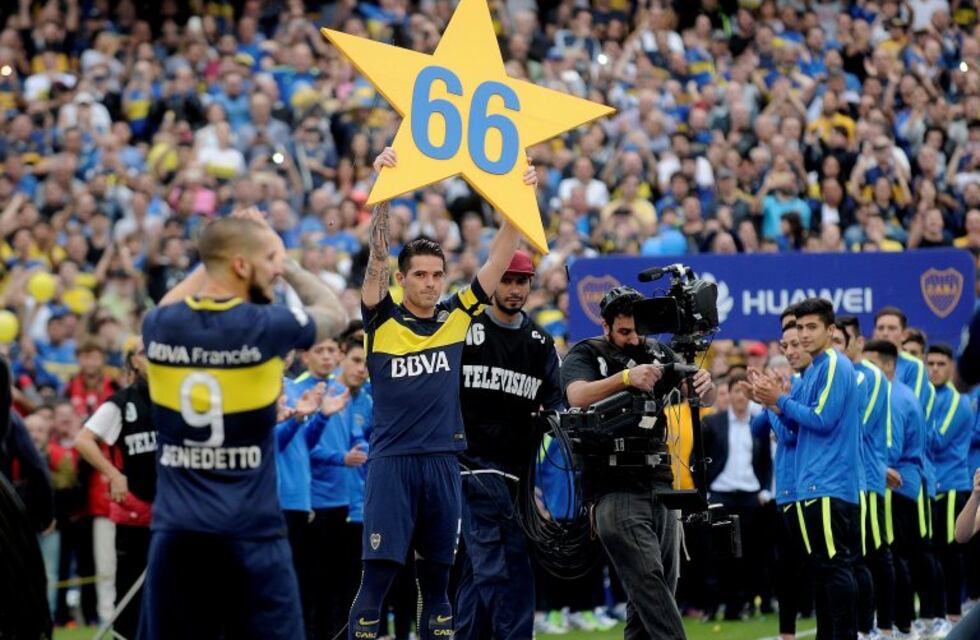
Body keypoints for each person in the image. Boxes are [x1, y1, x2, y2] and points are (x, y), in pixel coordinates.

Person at [347, 147, 536, 640]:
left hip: (443, 463)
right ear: (402, 279)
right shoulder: (381, 319)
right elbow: (377, 259)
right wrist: (383, 193)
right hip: (392, 463)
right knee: (376, 583)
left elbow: (498, 260)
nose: (430, 284)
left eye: (436, 275)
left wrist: (518, 200)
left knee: (437, 586)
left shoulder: (456, 317)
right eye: (420, 275)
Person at [138, 208, 348, 639]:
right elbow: (334, 314)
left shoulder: (161, 326)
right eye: (269, 259)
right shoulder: (265, 326)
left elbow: (168, 304)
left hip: (178, 534)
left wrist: (220, 249)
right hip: (252, 532)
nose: (275, 269)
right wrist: (290, 265)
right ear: (240, 265)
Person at [560, 285, 715, 639]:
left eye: (638, 331)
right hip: (613, 484)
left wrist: (704, 383)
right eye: (624, 331)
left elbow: (701, 396)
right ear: (605, 326)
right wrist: (626, 378)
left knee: (653, 595)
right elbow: (576, 395)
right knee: (649, 582)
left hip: (660, 480)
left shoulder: (657, 351)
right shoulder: (587, 352)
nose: (632, 339)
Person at [455, 249, 564, 639]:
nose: (515, 289)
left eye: (522, 281)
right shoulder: (465, 330)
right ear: (492, 280)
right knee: (506, 566)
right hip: (471, 467)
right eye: (507, 280)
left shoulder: (540, 342)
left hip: (516, 475)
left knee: (478, 571)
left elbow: (558, 406)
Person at [752, 298, 861, 640]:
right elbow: (795, 430)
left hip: (828, 482)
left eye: (812, 327)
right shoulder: (815, 369)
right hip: (813, 484)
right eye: (800, 327)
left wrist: (779, 400)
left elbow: (823, 419)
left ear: (831, 330)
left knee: (835, 567)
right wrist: (775, 404)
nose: (804, 334)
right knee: (823, 570)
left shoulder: (834, 365)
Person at [73, 338, 156, 640]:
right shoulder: (120, 403)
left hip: (173, 510)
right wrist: (113, 474)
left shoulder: (177, 400)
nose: (152, 357)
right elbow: (83, 440)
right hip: (136, 509)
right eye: (144, 352)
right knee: (130, 589)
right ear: (133, 361)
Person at [750, 312, 813, 640]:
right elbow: (755, 428)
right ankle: (786, 633)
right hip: (783, 491)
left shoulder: (801, 389)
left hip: (805, 490)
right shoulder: (779, 397)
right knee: (785, 567)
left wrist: (777, 404)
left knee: (810, 565)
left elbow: (789, 434)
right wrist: (768, 401)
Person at [862, 339, 929, 639]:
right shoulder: (902, 393)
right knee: (897, 555)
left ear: (889, 365)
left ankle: (893, 625)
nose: (866, 371)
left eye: (872, 364)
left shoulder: (890, 396)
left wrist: (875, 469)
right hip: (907, 482)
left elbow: (890, 447)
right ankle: (901, 623)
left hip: (893, 484)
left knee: (887, 555)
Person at [834, 315, 895, 638]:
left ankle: (876, 627)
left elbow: (858, 425)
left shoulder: (869, 376)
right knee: (852, 558)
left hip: (867, 480)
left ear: (857, 342)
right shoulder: (839, 374)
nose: (835, 347)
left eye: (839, 340)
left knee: (871, 555)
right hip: (846, 479)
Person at [702, 370, 771, 621]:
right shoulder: (713, 423)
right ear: (728, 394)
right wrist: (705, 491)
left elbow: (766, 459)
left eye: (744, 391)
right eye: (736, 391)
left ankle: (745, 604)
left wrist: (764, 488)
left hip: (751, 496)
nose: (741, 396)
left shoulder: (759, 423)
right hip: (721, 494)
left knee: (751, 555)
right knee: (719, 555)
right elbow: (698, 459)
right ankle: (714, 605)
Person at [925, 344, 974, 632]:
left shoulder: (957, 399)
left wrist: (914, 420)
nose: (934, 369)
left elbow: (938, 440)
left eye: (941, 364)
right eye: (930, 363)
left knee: (949, 553)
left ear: (951, 367)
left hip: (952, 485)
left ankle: (953, 615)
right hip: (933, 485)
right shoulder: (928, 396)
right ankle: (937, 615)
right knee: (933, 553)